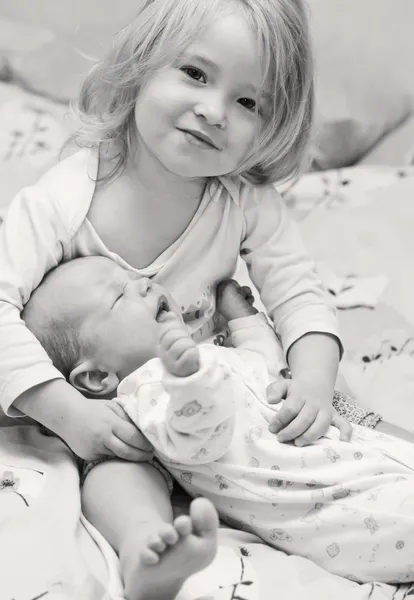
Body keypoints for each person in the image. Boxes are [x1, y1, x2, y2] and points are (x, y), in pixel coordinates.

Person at [0, 0, 350, 462]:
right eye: (195, 73)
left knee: (348, 433)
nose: (214, 111)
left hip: (218, 404)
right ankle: (159, 536)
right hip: (116, 420)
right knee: (118, 480)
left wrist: (313, 382)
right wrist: (69, 415)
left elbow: (300, 296)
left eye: (249, 102)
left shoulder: (243, 200)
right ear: (140, 65)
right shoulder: (62, 201)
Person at [23, 255, 414, 593]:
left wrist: (245, 320)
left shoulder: (208, 355)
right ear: (97, 379)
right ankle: (144, 552)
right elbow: (198, 439)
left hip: (361, 456)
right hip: (343, 502)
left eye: (134, 278)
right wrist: (188, 383)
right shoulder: (148, 390)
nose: (141, 285)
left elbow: (265, 368)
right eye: (119, 296)